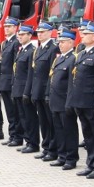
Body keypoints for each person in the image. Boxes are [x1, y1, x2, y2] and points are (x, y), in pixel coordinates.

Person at [69, 21, 94, 176]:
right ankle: (91, 163)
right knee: (88, 135)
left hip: (91, 102)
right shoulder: (82, 54)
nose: (82, 36)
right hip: (80, 101)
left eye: (86, 34)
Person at [47, 27, 79, 169]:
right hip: (56, 101)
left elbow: (72, 83)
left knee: (69, 131)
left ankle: (71, 158)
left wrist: (70, 102)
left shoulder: (73, 58)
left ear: (71, 43)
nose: (60, 44)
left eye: (63, 42)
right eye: (59, 42)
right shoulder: (59, 58)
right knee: (59, 130)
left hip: (65, 101)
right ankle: (62, 155)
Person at [28, 22, 60, 161]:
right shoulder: (39, 49)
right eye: (38, 32)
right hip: (38, 91)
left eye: (42, 32)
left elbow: (51, 72)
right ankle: (46, 147)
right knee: (43, 121)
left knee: (50, 122)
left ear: (50, 32)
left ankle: (53, 150)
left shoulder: (53, 49)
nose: (39, 34)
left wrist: (48, 92)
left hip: (47, 91)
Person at [13, 25, 39, 153]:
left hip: (25, 89)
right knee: (23, 117)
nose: (20, 36)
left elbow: (30, 74)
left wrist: (27, 92)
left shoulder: (31, 51)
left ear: (29, 35)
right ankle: (27, 140)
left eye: (23, 34)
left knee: (30, 118)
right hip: (18, 88)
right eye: (19, 34)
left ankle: (33, 143)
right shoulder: (22, 50)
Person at [0, 17, 21, 146]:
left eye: (9, 26)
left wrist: (13, 81)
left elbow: (14, 64)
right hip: (4, 81)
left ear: (15, 28)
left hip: (10, 81)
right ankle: (12, 135)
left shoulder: (15, 43)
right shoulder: (6, 43)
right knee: (9, 111)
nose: (6, 28)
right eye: (5, 26)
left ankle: (17, 137)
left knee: (14, 112)